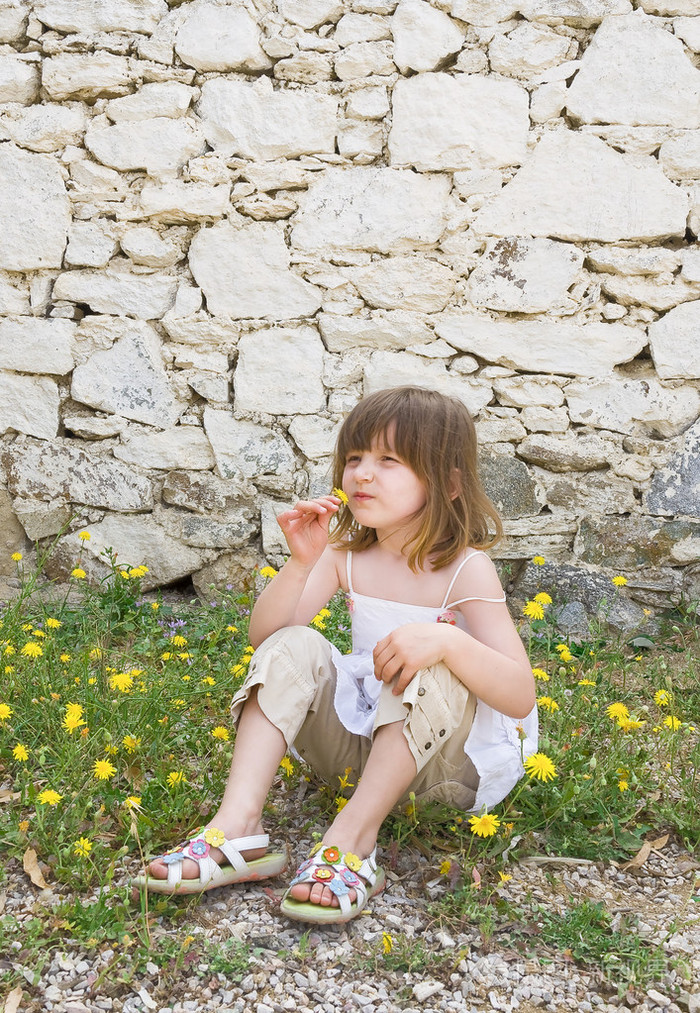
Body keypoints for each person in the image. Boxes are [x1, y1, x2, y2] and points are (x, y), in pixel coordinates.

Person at [135, 386, 537, 924]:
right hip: (362, 751)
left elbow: (519, 694)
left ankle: (352, 841)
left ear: (448, 482)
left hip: (447, 767)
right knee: (293, 643)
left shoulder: (465, 569)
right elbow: (268, 641)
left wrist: (446, 640)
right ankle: (238, 827)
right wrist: (301, 563)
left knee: (427, 659)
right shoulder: (344, 554)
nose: (362, 474)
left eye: (389, 460)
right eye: (354, 459)